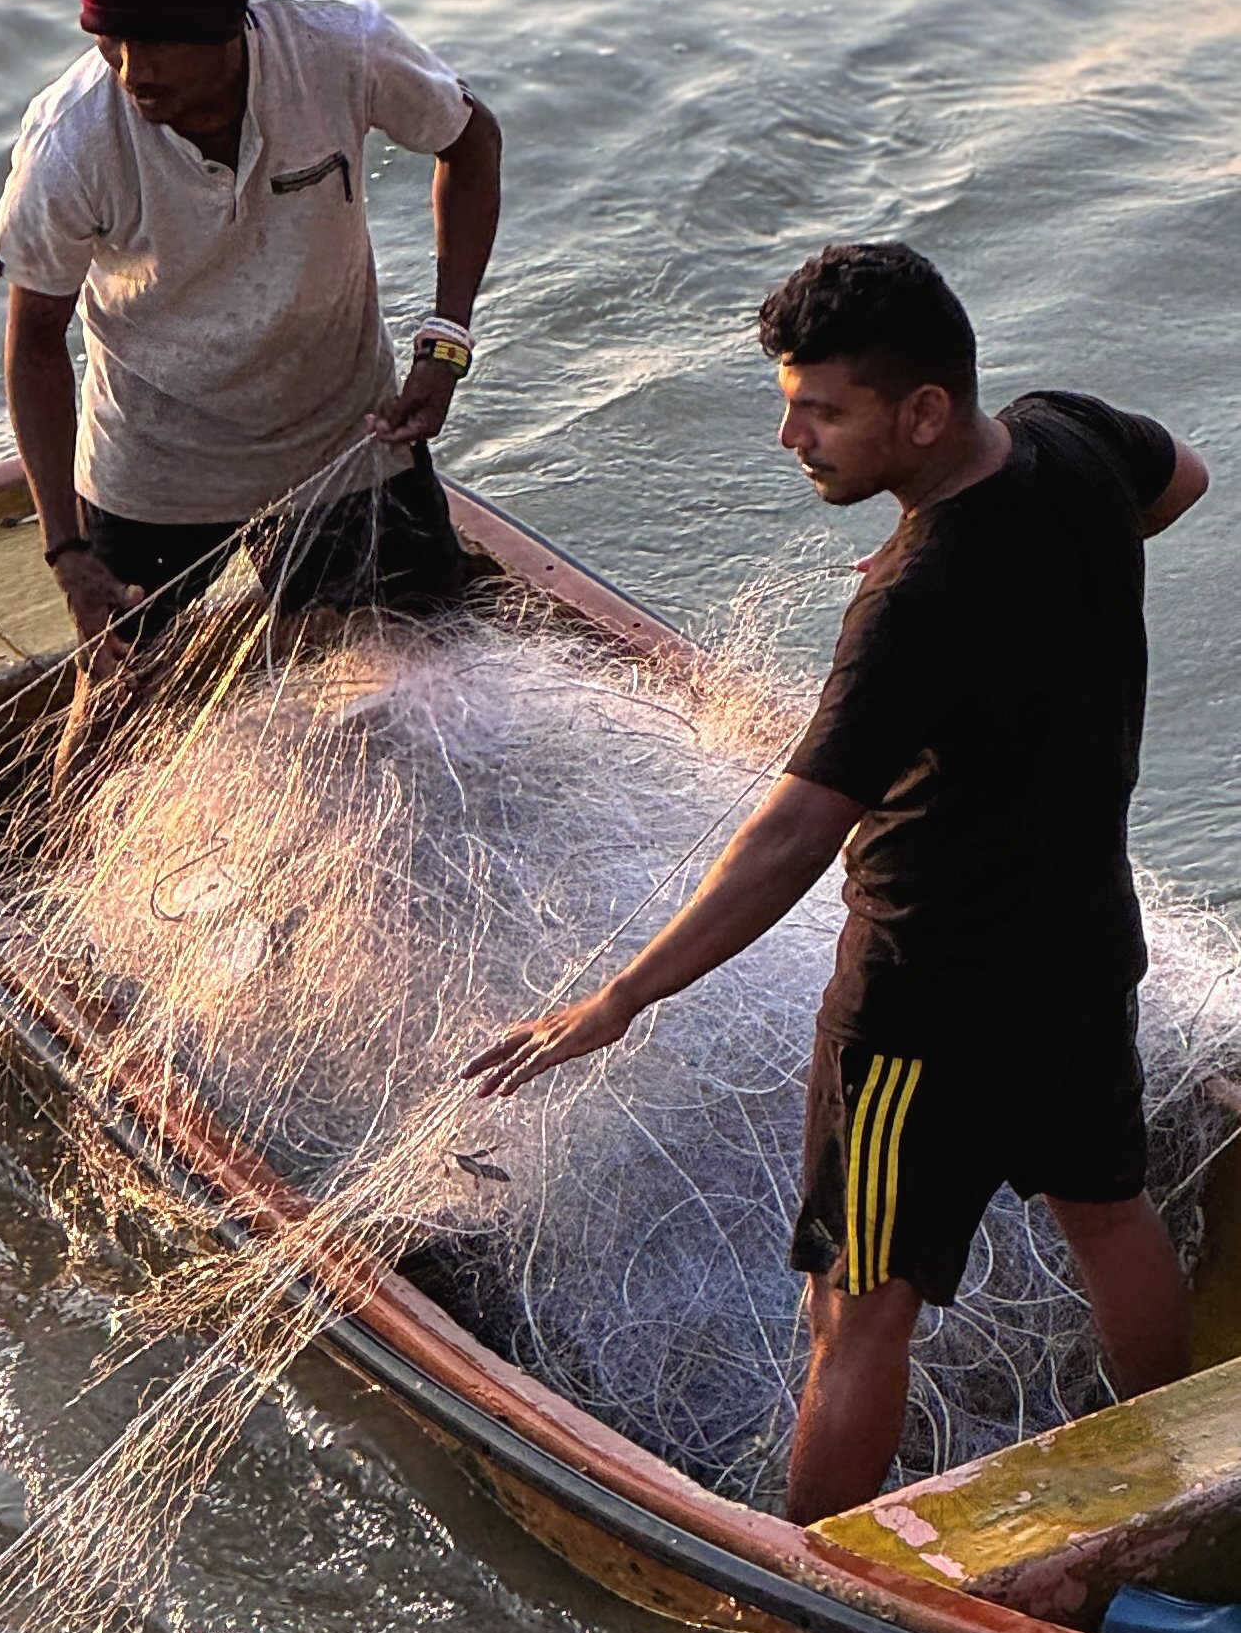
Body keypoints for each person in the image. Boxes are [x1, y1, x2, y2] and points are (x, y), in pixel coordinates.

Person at [467, 242, 1210, 1524]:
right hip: (1085, 946)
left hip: (919, 1008)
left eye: (822, 410)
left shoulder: (916, 604)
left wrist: (617, 1001)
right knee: (1109, 1212)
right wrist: (1057, 607)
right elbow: (1181, 478)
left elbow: (791, 838)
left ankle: (814, 1573)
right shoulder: (1070, 443)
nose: (789, 436)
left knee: (855, 1309)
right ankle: (1194, 1488)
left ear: (921, 413)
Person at [0, 0, 501, 688]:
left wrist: (444, 341)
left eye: (157, 42)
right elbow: (35, 341)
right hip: (154, 459)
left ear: (228, 26)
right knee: (119, 701)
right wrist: (66, 550)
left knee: (436, 675)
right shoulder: (71, 141)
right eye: (111, 39)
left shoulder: (341, 48)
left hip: (343, 430)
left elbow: (471, 140)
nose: (132, 70)